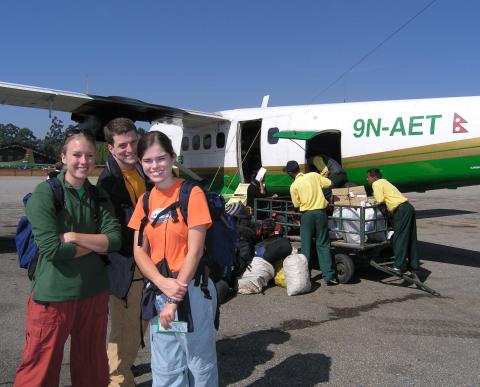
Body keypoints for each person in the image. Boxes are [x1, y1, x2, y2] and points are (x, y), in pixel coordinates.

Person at [15, 129, 121, 387]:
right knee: (39, 370)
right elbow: (52, 250)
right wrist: (96, 243)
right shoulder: (45, 194)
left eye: (88, 155)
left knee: (92, 369)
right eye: (76, 155)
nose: (83, 161)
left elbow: (115, 240)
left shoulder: (99, 196)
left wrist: (74, 236)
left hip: (93, 293)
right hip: (53, 297)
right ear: (63, 157)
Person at [128, 131, 218, 386]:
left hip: (191, 291)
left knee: (199, 363)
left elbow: (195, 250)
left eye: (161, 159)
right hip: (159, 291)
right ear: (140, 163)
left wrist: (173, 295)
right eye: (147, 161)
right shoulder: (145, 201)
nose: (155, 166)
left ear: (172, 158)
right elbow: (138, 250)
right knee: (165, 365)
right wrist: (160, 282)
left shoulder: (192, 194)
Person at [97, 118, 149, 387]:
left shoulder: (141, 169)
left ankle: (123, 368)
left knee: (140, 322)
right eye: (123, 145)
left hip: (146, 260)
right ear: (110, 148)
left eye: (133, 141)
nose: (130, 148)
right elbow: (117, 232)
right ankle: (117, 381)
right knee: (124, 328)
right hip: (126, 264)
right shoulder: (108, 183)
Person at [283, 160, 338, 286]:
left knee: (306, 245)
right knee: (323, 244)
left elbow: (296, 204)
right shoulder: (313, 175)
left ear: (290, 173)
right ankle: (329, 277)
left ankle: (305, 276)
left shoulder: (294, 186)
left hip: (307, 215)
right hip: (321, 213)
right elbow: (330, 183)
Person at [366, 168, 420, 276]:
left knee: (398, 238)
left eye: (368, 177)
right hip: (408, 208)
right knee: (410, 238)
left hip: (400, 210)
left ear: (374, 177)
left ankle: (399, 266)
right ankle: (413, 265)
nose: (367, 179)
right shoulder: (385, 182)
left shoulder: (376, 184)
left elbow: (379, 200)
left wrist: (369, 203)